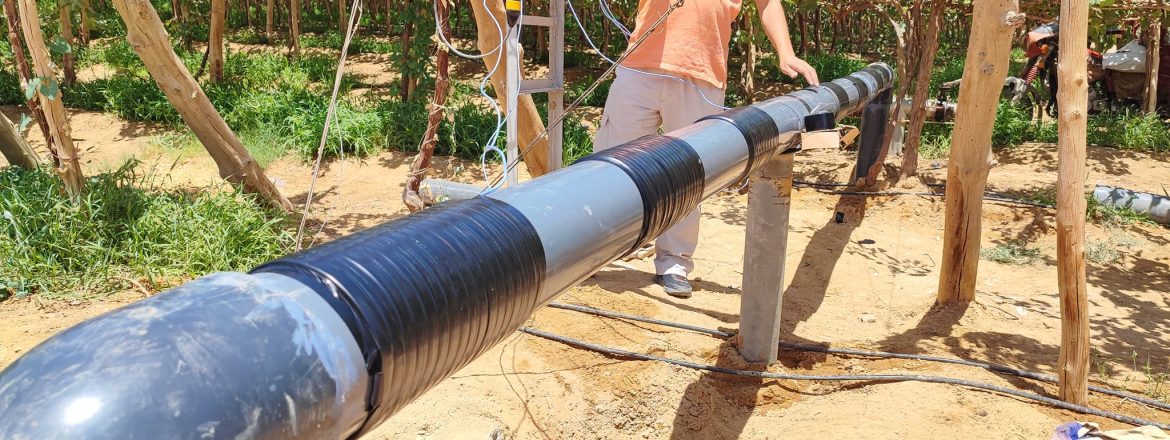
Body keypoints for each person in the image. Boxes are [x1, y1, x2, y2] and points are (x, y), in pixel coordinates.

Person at [593, 0, 819, 298]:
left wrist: (785, 52)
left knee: (687, 174)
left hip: (702, 74)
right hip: (640, 67)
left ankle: (674, 262)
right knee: (610, 165)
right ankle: (592, 253)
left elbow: (767, 3)